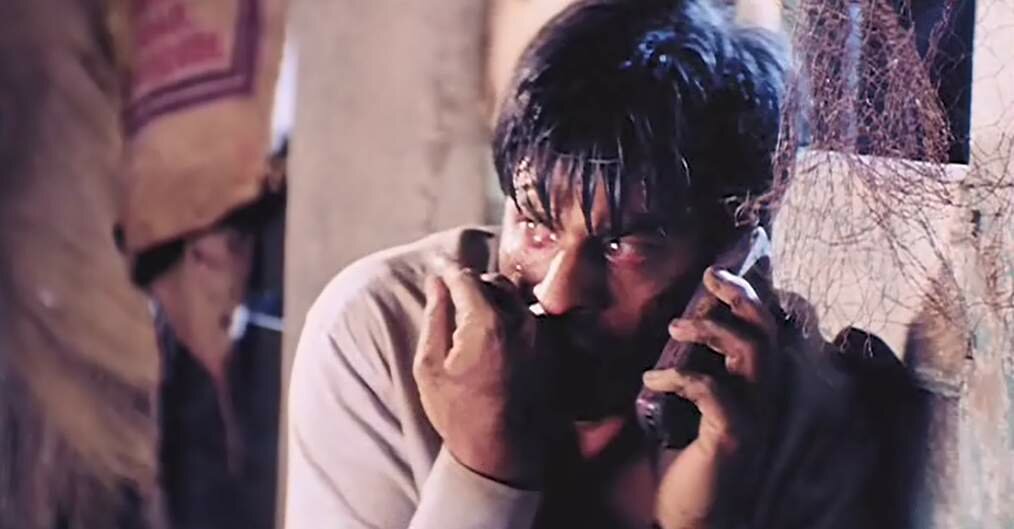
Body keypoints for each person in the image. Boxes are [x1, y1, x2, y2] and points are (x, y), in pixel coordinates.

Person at [284, 1, 914, 528]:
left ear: (732, 255)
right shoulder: (383, 334)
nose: (558, 294)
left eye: (622, 246)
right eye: (535, 224)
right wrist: (484, 474)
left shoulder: (795, 411)